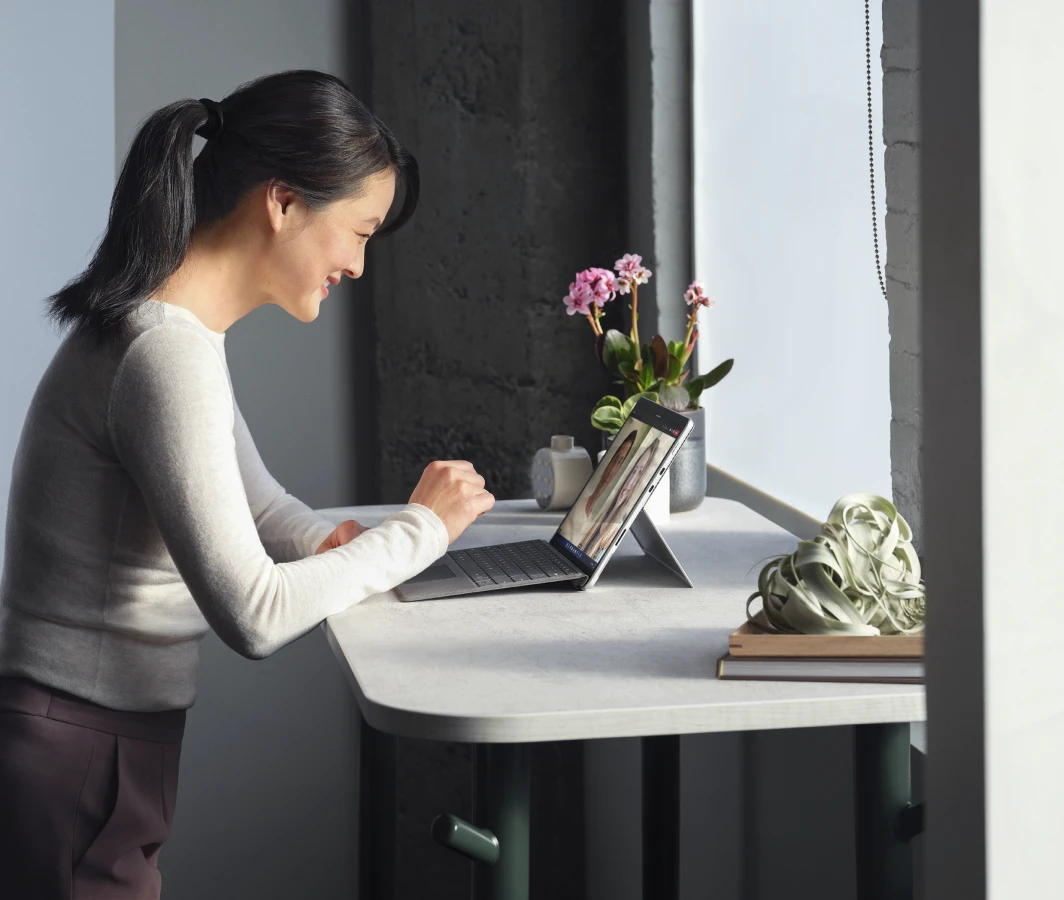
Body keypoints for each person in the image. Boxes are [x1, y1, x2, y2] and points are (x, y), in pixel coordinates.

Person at [0, 70, 494, 899]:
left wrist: (335, 543)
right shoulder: (165, 352)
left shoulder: (170, 331)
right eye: (359, 230)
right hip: (82, 748)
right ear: (284, 203)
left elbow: (262, 507)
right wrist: (420, 532)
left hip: (83, 740)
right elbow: (255, 616)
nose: (360, 265)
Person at [583, 429, 637, 517]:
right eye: (614, 460)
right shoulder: (581, 504)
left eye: (619, 463)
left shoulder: (608, 516)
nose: (611, 471)